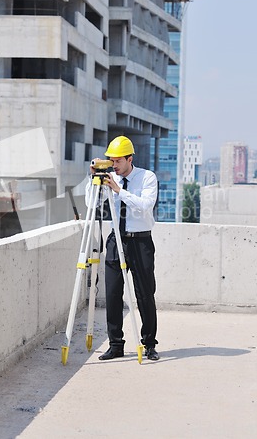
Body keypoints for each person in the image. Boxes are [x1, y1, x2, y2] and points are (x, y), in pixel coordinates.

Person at [86, 135, 159, 361]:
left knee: (145, 294)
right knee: (113, 294)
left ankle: (149, 344)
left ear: (129, 159)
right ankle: (115, 344)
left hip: (140, 242)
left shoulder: (147, 177)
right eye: (111, 161)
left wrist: (119, 191)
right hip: (116, 240)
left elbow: (146, 205)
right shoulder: (109, 179)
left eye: (118, 161)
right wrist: (93, 180)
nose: (114, 165)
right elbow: (91, 205)